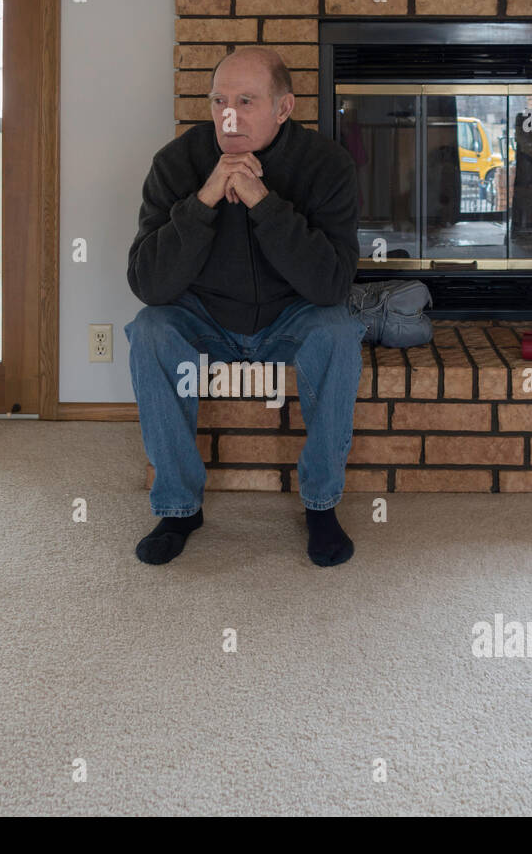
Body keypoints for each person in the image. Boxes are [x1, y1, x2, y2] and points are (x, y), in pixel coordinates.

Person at [125, 46, 365, 567]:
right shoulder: (177, 163)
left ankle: (321, 505)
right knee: (149, 329)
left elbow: (331, 285)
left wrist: (263, 202)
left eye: (247, 101)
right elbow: (148, 282)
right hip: (205, 321)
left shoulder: (327, 165)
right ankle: (179, 508)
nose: (228, 116)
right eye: (219, 101)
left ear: (284, 108)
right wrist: (204, 200)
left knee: (340, 332)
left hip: (291, 318)